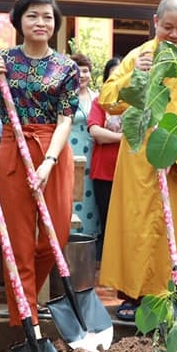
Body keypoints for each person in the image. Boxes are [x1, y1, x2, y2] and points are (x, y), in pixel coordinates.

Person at [98, 0, 177, 320]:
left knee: (176, 229)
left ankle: (174, 295)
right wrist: (135, 75)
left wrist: (175, 150)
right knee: (137, 228)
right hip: (139, 162)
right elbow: (109, 100)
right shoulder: (139, 56)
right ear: (155, 22)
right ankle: (133, 297)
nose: (175, 34)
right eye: (168, 27)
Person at [0, 0, 78, 330]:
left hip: (53, 150)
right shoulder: (4, 62)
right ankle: (26, 320)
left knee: (55, 237)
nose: (40, 22)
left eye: (47, 16)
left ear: (55, 24)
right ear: (18, 20)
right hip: (13, 149)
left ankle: (27, 289)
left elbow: (66, 119)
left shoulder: (67, 68)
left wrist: (48, 161)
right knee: (17, 239)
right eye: (32, 15)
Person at [87, 56, 123, 262]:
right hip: (104, 170)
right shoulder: (100, 100)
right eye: (114, 74)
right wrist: (124, 138)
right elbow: (96, 132)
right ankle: (108, 264)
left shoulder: (137, 102)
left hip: (130, 169)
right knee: (107, 219)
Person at [69, 53, 100, 239]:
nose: (82, 75)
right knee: (70, 193)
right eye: (77, 71)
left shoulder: (97, 97)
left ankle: (88, 240)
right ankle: (68, 235)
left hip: (92, 154)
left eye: (85, 71)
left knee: (90, 197)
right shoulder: (63, 95)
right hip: (69, 151)